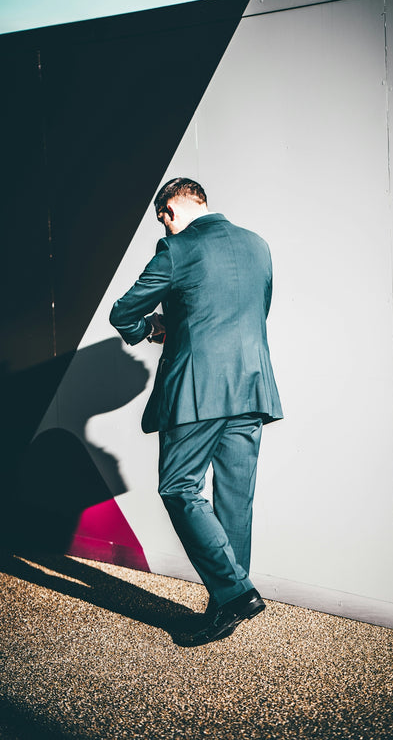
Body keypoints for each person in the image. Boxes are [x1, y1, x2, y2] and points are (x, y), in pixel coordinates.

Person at [109, 177, 283, 643]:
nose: (163, 226)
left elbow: (124, 311)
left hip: (197, 391)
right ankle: (227, 603)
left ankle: (233, 593)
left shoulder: (177, 249)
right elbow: (251, 311)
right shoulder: (257, 246)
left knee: (179, 487)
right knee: (234, 499)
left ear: (169, 210)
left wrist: (155, 329)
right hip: (251, 388)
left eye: (162, 218)